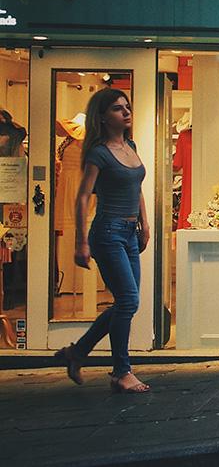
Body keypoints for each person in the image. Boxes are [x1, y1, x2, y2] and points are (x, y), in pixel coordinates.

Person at [57, 88, 151, 392]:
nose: (125, 112)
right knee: (128, 300)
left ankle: (77, 353)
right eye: (117, 108)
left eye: (127, 107)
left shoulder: (131, 145)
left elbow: (136, 188)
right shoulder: (99, 152)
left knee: (127, 302)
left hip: (129, 232)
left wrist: (145, 224)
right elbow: (83, 197)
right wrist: (81, 241)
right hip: (107, 232)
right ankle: (121, 372)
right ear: (102, 116)